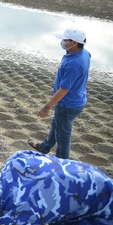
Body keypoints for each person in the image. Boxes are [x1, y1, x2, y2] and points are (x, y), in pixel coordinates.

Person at [28, 28, 91, 159]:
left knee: (63, 135)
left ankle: (61, 163)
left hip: (68, 103)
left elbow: (63, 89)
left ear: (74, 43)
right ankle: (44, 147)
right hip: (74, 99)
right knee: (56, 123)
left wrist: (47, 106)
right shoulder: (84, 53)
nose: (62, 42)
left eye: (65, 40)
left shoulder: (74, 63)